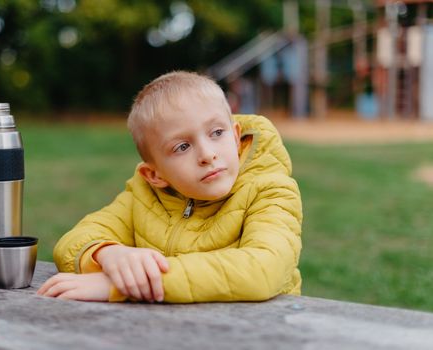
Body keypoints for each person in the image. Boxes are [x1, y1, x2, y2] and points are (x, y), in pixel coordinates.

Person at [37, 71, 302, 303]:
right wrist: (108, 254)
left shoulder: (271, 191)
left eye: (217, 133)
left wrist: (128, 286)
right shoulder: (144, 196)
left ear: (235, 136)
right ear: (154, 174)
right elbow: (70, 245)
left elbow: (263, 270)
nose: (207, 154)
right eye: (182, 147)